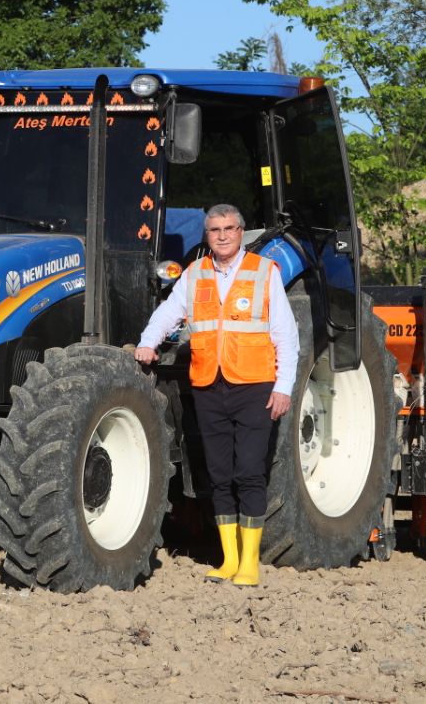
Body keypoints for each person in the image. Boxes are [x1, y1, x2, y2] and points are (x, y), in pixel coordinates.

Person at [135, 204, 298, 587]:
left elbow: (286, 336)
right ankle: (229, 560)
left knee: (249, 472)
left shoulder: (264, 273)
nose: (222, 235)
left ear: (241, 232)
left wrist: (284, 387)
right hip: (209, 385)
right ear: (206, 235)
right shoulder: (195, 274)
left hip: (256, 386)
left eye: (229, 228)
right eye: (214, 230)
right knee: (219, 475)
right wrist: (147, 343)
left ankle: (250, 563)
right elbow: (168, 313)